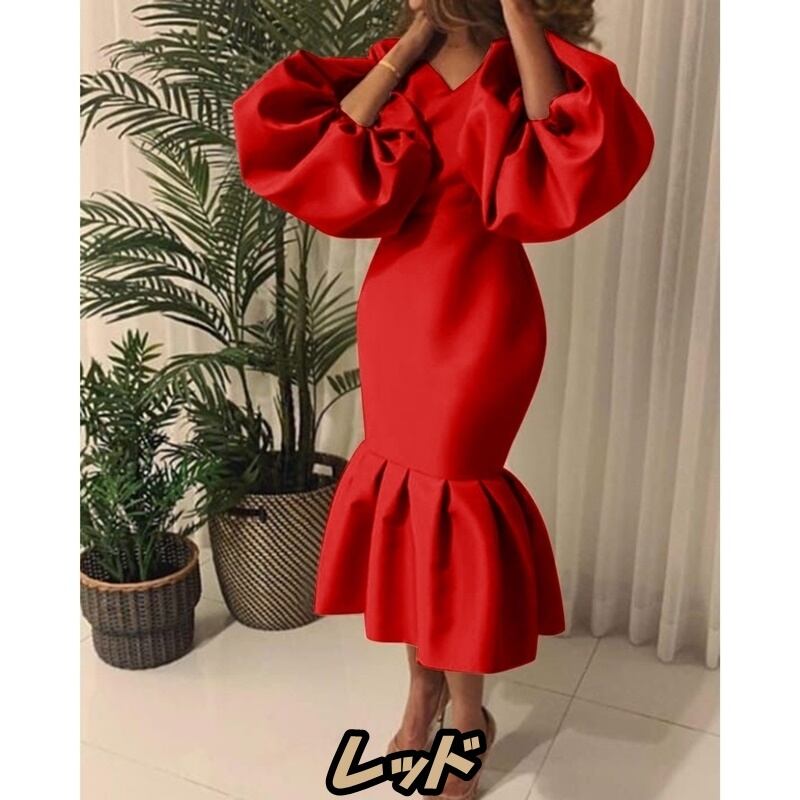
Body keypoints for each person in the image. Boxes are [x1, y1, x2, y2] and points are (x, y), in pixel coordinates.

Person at [232, 0, 654, 796]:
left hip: (487, 316)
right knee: (408, 509)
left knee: (455, 509)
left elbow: (556, 144)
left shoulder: (524, 62)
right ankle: (421, 693)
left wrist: (518, 17)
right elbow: (330, 144)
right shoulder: (396, 61)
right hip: (400, 309)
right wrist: (412, 43)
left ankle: (467, 714)